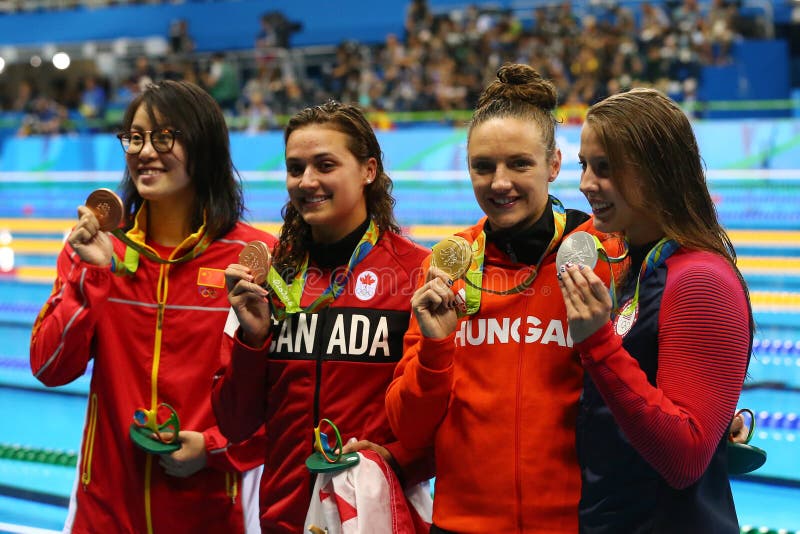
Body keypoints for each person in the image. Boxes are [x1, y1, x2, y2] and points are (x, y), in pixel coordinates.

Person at [385, 63, 625, 533]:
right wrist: (436, 351)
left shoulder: (607, 256)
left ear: (554, 165)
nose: (499, 183)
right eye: (483, 166)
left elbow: (653, 374)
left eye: (519, 163)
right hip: (460, 524)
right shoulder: (444, 270)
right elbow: (408, 430)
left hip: (579, 522)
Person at [29, 80, 276, 534]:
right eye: (136, 136)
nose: (145, 150)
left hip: (210, 512)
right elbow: (49, 367)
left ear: (204, 147)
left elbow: (285, 395)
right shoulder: (96, 248)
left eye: (165, 136)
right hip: (104, 509)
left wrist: (213, 447)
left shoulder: (254, 258)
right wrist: (92, 277)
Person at [212, 101, 433, 533]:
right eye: (295, 168)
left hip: (376, 518)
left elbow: (442, 416)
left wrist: (398, 460)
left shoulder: (415, 274)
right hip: (284, 518)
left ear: (368, 170)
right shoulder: (266, 278)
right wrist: (252, 342)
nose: (307, 181)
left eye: (325, 165)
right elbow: (234, 422)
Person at [557, 88, 753, 531]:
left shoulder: (699, 279)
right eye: (584, 166)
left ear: (654, 172)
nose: (586, 184)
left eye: (604, 168)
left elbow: (684, 458)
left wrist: (596, 341)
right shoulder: (642, 266)